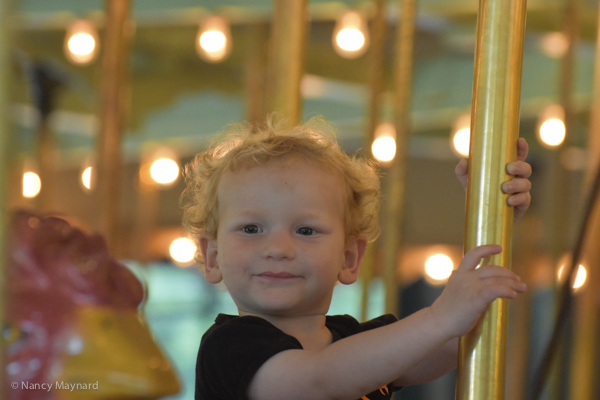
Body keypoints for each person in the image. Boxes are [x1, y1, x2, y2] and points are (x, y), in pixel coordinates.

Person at [181, 116, 532, 400]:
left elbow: (460, 340)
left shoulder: (352, 341)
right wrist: (440, 316)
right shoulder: (229, 347)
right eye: (251, 229)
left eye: (305, 231)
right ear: (212, 256)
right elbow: (317, 381)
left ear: (349, 257)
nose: (278, 248)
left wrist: (491, 218)